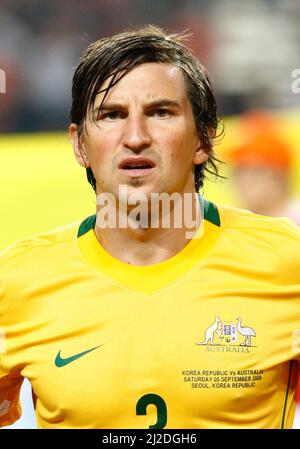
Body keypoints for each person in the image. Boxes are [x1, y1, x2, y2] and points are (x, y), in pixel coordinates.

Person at [0, 25, 299, 430]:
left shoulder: (286, 263)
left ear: (203, 140)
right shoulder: (17, 281)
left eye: (161, 112)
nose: (136, 137)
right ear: (79, 145)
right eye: (112, 115)